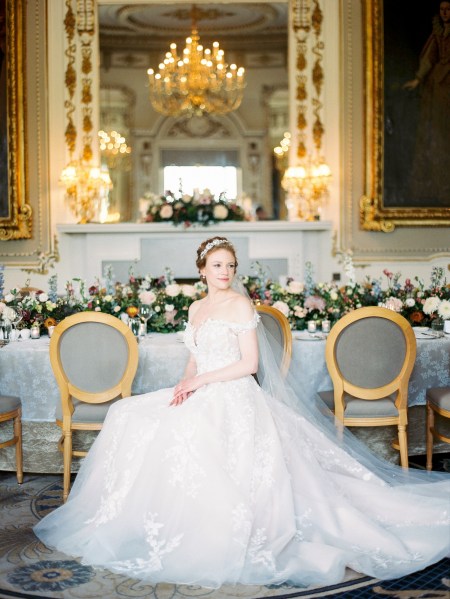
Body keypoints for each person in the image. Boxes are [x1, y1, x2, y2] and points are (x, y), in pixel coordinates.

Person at [34, 237, 450, 588]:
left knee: (192, 439)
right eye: (217, 265)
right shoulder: (196, 309)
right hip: (201, 389)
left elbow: (249, 364)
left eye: (230, 265)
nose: (225, 272)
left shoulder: (238, 306)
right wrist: (184, 384)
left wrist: (200, 383)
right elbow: (195, 359)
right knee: (128, 414)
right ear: (201, 270)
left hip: (232, 395)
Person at [403, 0, 450, 206]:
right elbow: (429, 58)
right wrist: (418, 79)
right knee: (438, 134)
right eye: (442, 9)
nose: (445, 13)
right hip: (439, 88)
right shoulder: (438, 32)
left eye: (448, 9)